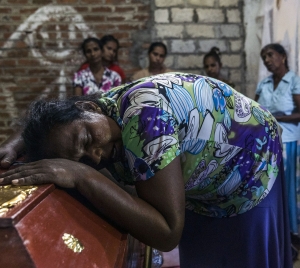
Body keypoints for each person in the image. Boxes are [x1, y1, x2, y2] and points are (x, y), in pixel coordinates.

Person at [0, 73, 292, 267]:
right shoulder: (98, 112)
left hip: (250, 164)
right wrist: (20, 141)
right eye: (83, 160)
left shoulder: (145, 119)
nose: (96, 154)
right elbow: (63, 121)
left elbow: (167, 233)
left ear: (90, 107)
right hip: (202, 183)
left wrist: (82, 174)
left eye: (88, 140)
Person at [255, 43, 300, 239]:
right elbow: (254, 110)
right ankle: (277, 231)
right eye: (264, 56)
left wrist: (275, 118)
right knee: (270, 189)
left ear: (282, 57)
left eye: (270, 55)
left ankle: (293, 232)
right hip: (267, 145)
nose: (266, 60)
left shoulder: (294, 82)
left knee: (289, 190)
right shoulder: (263, 84)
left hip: (288, 142)